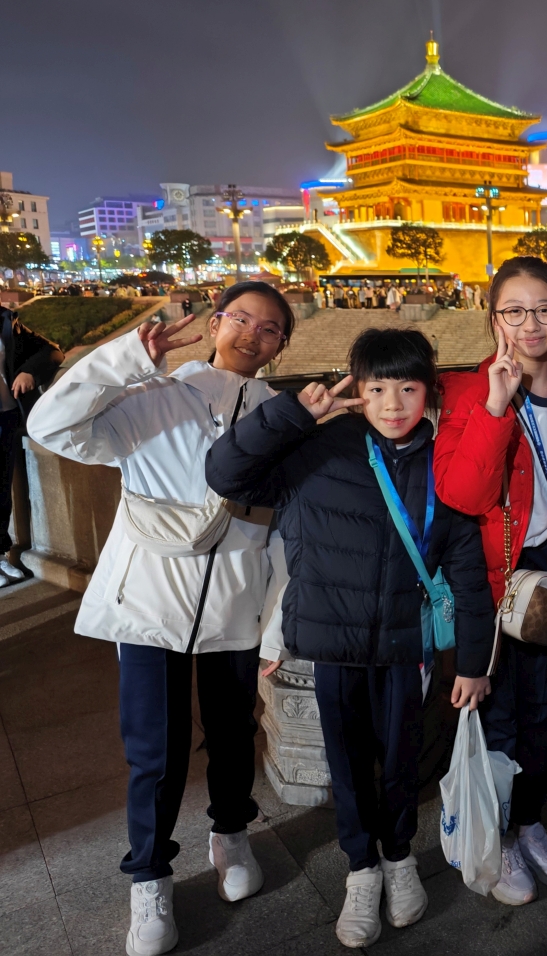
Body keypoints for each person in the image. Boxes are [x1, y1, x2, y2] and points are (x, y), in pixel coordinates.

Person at [26, 281, 294, 956]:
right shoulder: (153, 394)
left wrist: (276, 625)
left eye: (269, 328)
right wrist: (124, 360)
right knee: (156, 748)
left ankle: (230, 834)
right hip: (148, 601)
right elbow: (49, 427)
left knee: (233, 731)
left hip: (236, 598)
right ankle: (149, 875)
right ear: (214, 322)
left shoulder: (282, 417)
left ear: (282, 345)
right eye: (241, 318)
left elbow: (289, 534)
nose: (252, 334)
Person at [205, 328, 493, 949]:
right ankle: (361, 869)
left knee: (402, 761)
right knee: (347, 764)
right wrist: (291, 416)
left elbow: (469, 571)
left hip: (407, 647)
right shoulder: (319, 448)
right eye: (378, 388)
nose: (393, 404)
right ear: (356, 388)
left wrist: (473, 662)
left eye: (408, 389)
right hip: (334, 645)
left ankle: (399, 857)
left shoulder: (446, 460)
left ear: (429, 391)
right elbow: (225, 474)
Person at [433, 256, 547, 907]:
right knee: (497, 712)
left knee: (539, 708)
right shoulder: (466, 392)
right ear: (493, 319)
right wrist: (495, 405)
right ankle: (500, 834)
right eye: (514, 311)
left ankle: (531, 822)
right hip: (493, 574)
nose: (530, 324)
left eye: (544, 310)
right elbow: (463, 494)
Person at [0, 306, 62, 585]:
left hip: (5, 417)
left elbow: (53, 352)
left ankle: (0, 555)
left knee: (2, 492)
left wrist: (28, 372)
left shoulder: (6, 322)